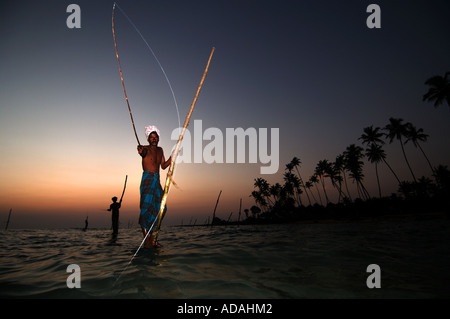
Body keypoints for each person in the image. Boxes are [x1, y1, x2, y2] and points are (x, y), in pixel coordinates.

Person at [137, 125, 171, 248]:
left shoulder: (160, 150)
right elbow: (142, 153)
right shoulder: (144, 148)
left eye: (156, 137)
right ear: (148, 139)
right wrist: (141, 152)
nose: (154, 139)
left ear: (158, 138)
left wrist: (173, 157)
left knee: (162, 208)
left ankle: (154, 237)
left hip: (157, 181)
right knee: (146, 208)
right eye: (151, 137)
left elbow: (163, 166)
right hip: (147, 178)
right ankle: (146, 238)